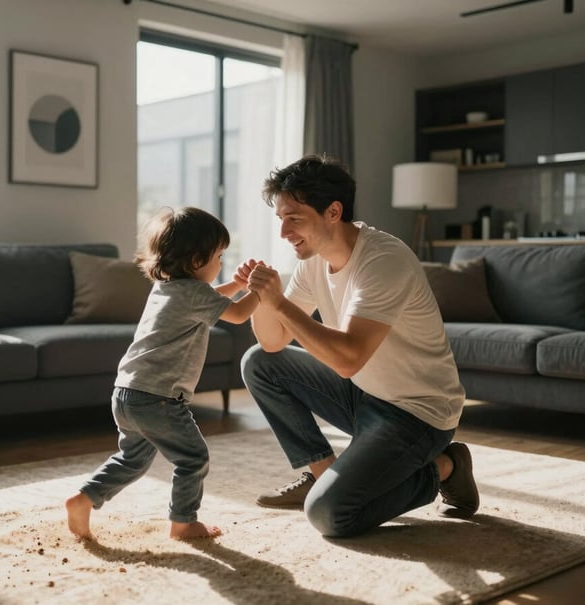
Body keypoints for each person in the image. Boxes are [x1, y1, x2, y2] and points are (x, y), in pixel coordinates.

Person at [237, 154, 479, 538]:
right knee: (259, 363)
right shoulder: (312, 263)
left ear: (333, 212)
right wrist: (265, 299)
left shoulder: (384, 260)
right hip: (363, 394)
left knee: (330, 515)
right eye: (280, 218)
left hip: (416, 414)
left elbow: (348, 358)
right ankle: (321, 473)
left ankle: (447, 466)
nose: (284, 232)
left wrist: (280, 302)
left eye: (294, 218)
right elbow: (272, 342)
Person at [66, 206, 261, 541]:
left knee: (132, 460)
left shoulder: (167, 288)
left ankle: (85, 498)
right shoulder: (196, 294)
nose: (221, 264)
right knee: (193, 458)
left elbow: (210, 299)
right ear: (198, 261)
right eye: (219, 256)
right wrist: (260, 289)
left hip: (127, 393)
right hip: (160, 399)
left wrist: (237, 283)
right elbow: (240, 314)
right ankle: (184, 523)